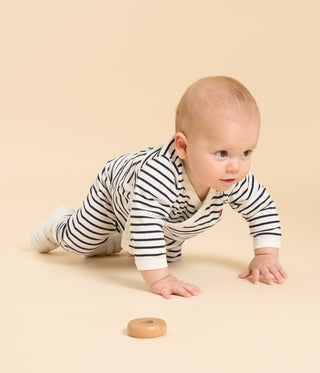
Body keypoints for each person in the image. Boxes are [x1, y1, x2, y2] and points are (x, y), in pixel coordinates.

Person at [31, 76, 288, 299]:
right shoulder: (160, 175)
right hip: (116, 191)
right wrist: (159, 279)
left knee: (165, 253)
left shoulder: (232, 178)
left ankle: (119, 241)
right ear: (183, 147)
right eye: (222, 153)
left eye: (246, 152)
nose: (236, 166)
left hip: (168, 222)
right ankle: (61, 225)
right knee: (82, 243)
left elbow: (262, 208)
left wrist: (266, 254)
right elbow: (146, 221)